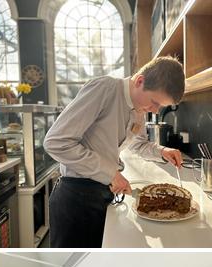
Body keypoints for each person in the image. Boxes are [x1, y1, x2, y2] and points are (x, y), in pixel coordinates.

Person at [44, 56, 187, 248]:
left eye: (160, 106)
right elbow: (56, 142)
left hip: (103, 193)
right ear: (140, 81)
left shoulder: (139, 108)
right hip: (75, 199)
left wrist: (162, 151)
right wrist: (110, 173)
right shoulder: (104, 89)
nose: (154, 110)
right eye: (154, 102)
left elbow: (139, 145)